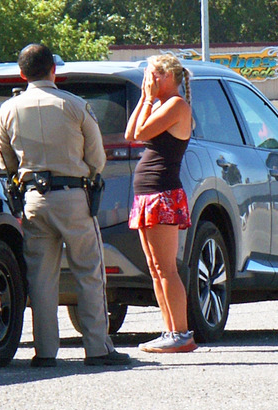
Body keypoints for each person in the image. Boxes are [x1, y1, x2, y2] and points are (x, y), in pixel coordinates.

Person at [0, 43, 130, 367]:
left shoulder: (8, 110)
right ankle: (98, 348)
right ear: (53, 70)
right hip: (72, 196)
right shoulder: (75, 105)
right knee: (89, 272)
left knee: (40, 279)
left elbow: (6, 162)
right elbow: (97, 158)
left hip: (33, 200)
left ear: (22, 74)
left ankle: (45, 352)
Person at [124, 54, 197, 353]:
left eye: (152, 75)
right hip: (148, 194)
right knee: (155, 268)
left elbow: (142, 133)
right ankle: (169, 331)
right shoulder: (158, 105)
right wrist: (145, 99)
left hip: (162, 194)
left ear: (168, 76)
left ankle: (181, 333)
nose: (148, 80)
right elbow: (131, 134)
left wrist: (149, 99)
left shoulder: (177, 106)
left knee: (167, 268)